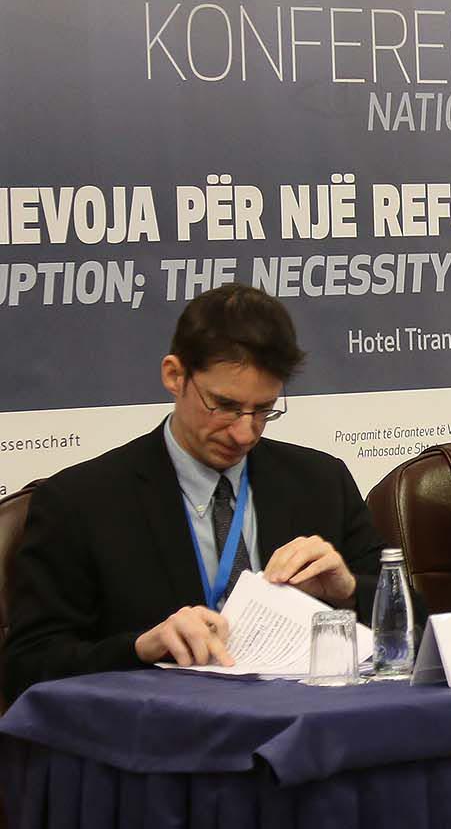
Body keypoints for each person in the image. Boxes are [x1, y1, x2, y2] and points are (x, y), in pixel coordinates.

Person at [5, 285, 381, 699]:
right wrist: (139, 648)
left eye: (263, 410)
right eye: (224, 406)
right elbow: (28, 665)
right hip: (161, 729)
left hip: (304, 723)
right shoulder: (81, 502)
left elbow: (412, 630)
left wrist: (350, 592)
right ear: (174, 375)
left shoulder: (321, 482)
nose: (244, 433)